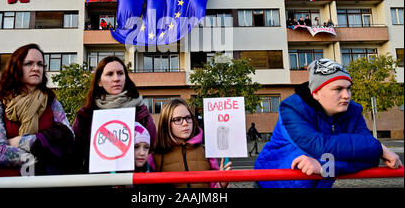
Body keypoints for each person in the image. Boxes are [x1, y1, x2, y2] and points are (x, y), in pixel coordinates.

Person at [254, 58, 402, 188]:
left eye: (348, 88)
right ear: (316, 92)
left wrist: (325, 167)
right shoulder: (292, 108)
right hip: (271, 183)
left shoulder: (353, 111)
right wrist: (379, 147)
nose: (347, 95)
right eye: (338, 89)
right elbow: (318, 146)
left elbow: (368, 159)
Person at [0, 43, 75, 177]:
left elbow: (68, 136)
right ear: (16, 67)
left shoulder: (51, 102)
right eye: (29, 63)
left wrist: (20, 142)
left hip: (42, 181)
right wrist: (35, 153)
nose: (36, 68)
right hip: (3, 182)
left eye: (40, 64)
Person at [72, 56, 156, 173]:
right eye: (110, 74)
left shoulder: (141, 111)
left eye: (120, 73)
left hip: (134, 182)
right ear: (99, 81)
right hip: (96, 182)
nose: (116, 78)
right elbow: (76, 153)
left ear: (125, 78)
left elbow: (151, 147)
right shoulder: (86, 115)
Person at [152, 97, 232, 188]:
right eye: (178, 120)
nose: (185, 123)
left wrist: (222, 184)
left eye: (188, 118)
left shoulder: (205, 151)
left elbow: (213, 186)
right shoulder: (156, 156)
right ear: (166, 123)